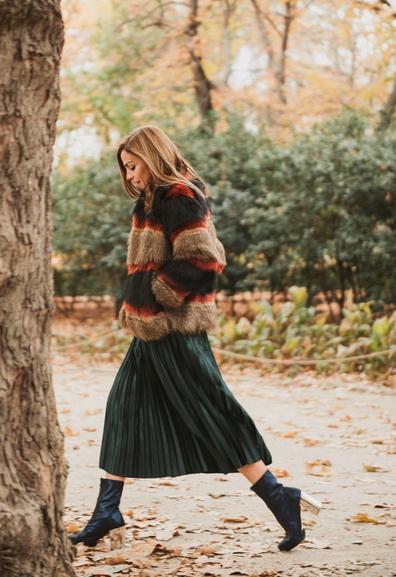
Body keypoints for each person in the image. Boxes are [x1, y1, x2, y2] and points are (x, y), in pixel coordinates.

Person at [68, 124, 321, 552]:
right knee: (124, 408)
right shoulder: (151, 202)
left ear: (153, 157)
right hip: (151, 328)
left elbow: (203, 257)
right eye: (125, 169)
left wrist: (159, 297)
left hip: (174, 329)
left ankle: (282, 500)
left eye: (134, 166)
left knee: (214, 415)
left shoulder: (179, 195)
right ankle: (106, 511)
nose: (129, 176)